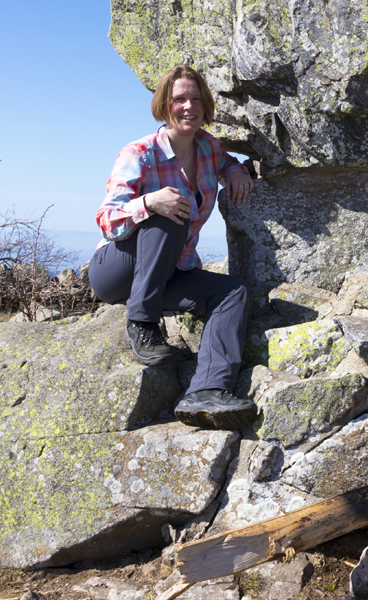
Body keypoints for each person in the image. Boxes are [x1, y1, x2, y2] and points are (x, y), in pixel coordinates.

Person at [89, 65, 258, 430]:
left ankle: (206, 391)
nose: (189, 106)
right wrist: (148, 203)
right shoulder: (139, 152)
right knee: (170, 210)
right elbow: (106, 220)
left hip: (169, 271)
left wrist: (236, 172)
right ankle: (142, 324)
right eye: (179, 99)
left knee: (233, 292)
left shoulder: (208, 148)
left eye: (196, 99)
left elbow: (227, 163)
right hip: (115, 270)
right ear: (165, 105)